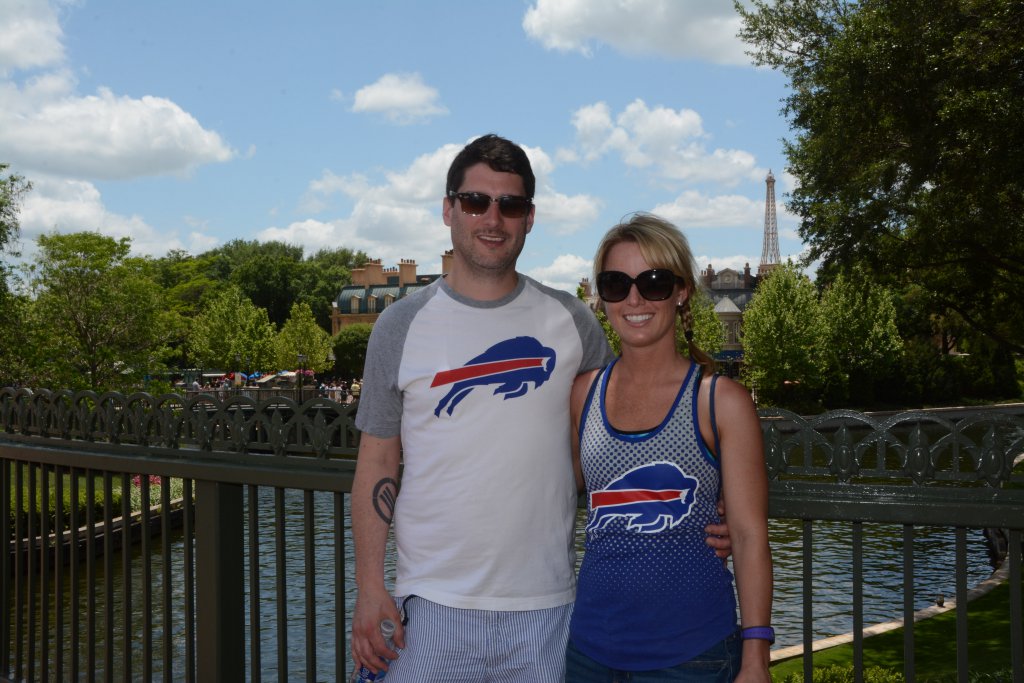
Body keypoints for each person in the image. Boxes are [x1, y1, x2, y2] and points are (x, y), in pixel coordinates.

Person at [350, 135, 732, 682]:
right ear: (448, 209)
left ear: (529, 218)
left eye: (510, 205)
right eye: (476, 201)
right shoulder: (399, 326)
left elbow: (634, 425)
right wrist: (369, 585)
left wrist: (710, 503)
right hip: (429, 610)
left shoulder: (572, 321)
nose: (493, 218)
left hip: (549, 614)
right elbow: (376, 460)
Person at [565, 213, 772, 682]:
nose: (634, 299)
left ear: (681, 293)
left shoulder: (720, 402)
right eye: (616, 284)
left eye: (653, 283)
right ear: (602, 297)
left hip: (691, 657)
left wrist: (756, 658)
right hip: (589, 653)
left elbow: (748, 537)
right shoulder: (583, 394)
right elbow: (551, 491)